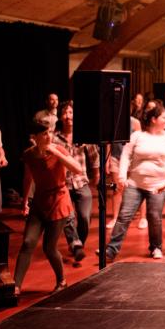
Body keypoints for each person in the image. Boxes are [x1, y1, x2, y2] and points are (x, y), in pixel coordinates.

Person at [105, 101, 165, 261]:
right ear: (154, 119)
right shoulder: (137, 136)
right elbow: (125, 155)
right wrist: (122, 176)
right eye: (164, 117)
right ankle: (111, 249)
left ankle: (156, 247)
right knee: (124, 216)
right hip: (135, 184)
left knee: (154, 217)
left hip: (159, 185)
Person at [15, 120, 84, 295]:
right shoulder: (29, 155)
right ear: (35, 137)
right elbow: (27, 178)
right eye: (44, 134)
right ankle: (15, 286)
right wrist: (25, 202)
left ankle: (62, 280)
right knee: (28, 242)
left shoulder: (58, 150)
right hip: (39, 201)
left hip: (59, 200)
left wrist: (56, 152)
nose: (48, 136)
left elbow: (77, 169)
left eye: (50, 132)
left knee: (49, 247)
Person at [55, 101, 99, 264]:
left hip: (81, 181)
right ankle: (75, 245)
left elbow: (94, 155)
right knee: (68, 216)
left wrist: (97, 174)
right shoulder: (54, 137)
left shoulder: (84, 133)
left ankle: (78, 243)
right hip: (62, 183)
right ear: (60, 116)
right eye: (65, 113)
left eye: (71, 112)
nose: (68, 116)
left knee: (84, 218)